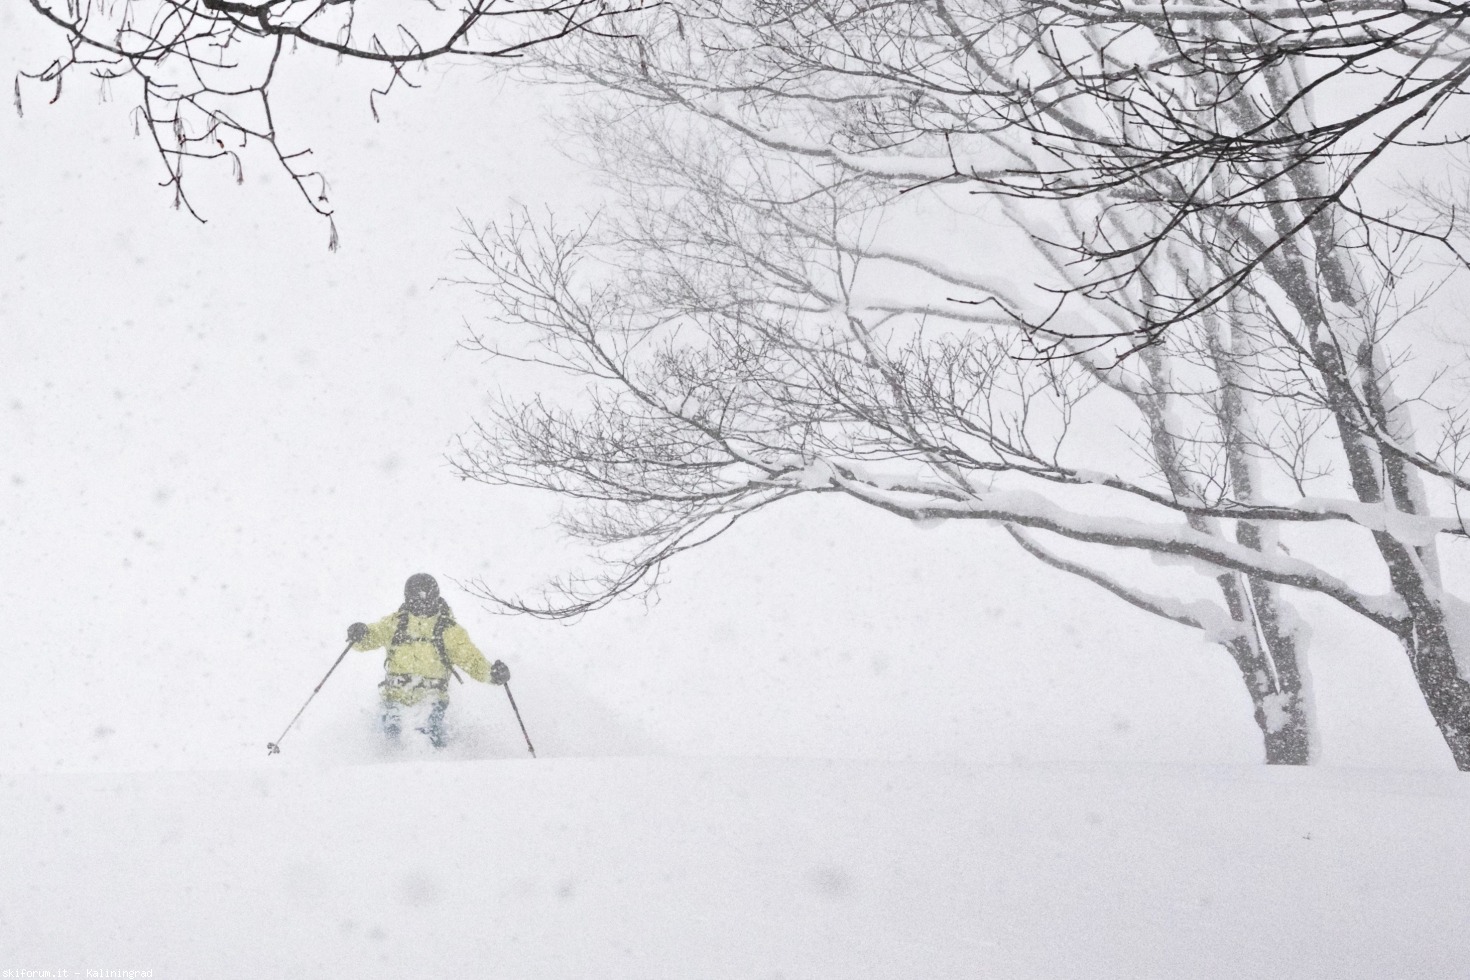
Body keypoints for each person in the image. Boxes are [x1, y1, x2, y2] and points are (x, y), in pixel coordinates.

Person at [347, 573, 509, 748]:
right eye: (416, 601)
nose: (422, 605)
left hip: (432, 698)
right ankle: (382, 767)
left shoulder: (450, 631)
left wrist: (491, 674)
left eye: (426, 600)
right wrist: (360, 634)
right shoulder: (395, 623)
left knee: (429, 735)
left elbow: (471, 660)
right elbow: (373, 636)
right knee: (390, 733)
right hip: (394, 697)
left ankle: (439, 768)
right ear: (408, 600)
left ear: (435, 598)